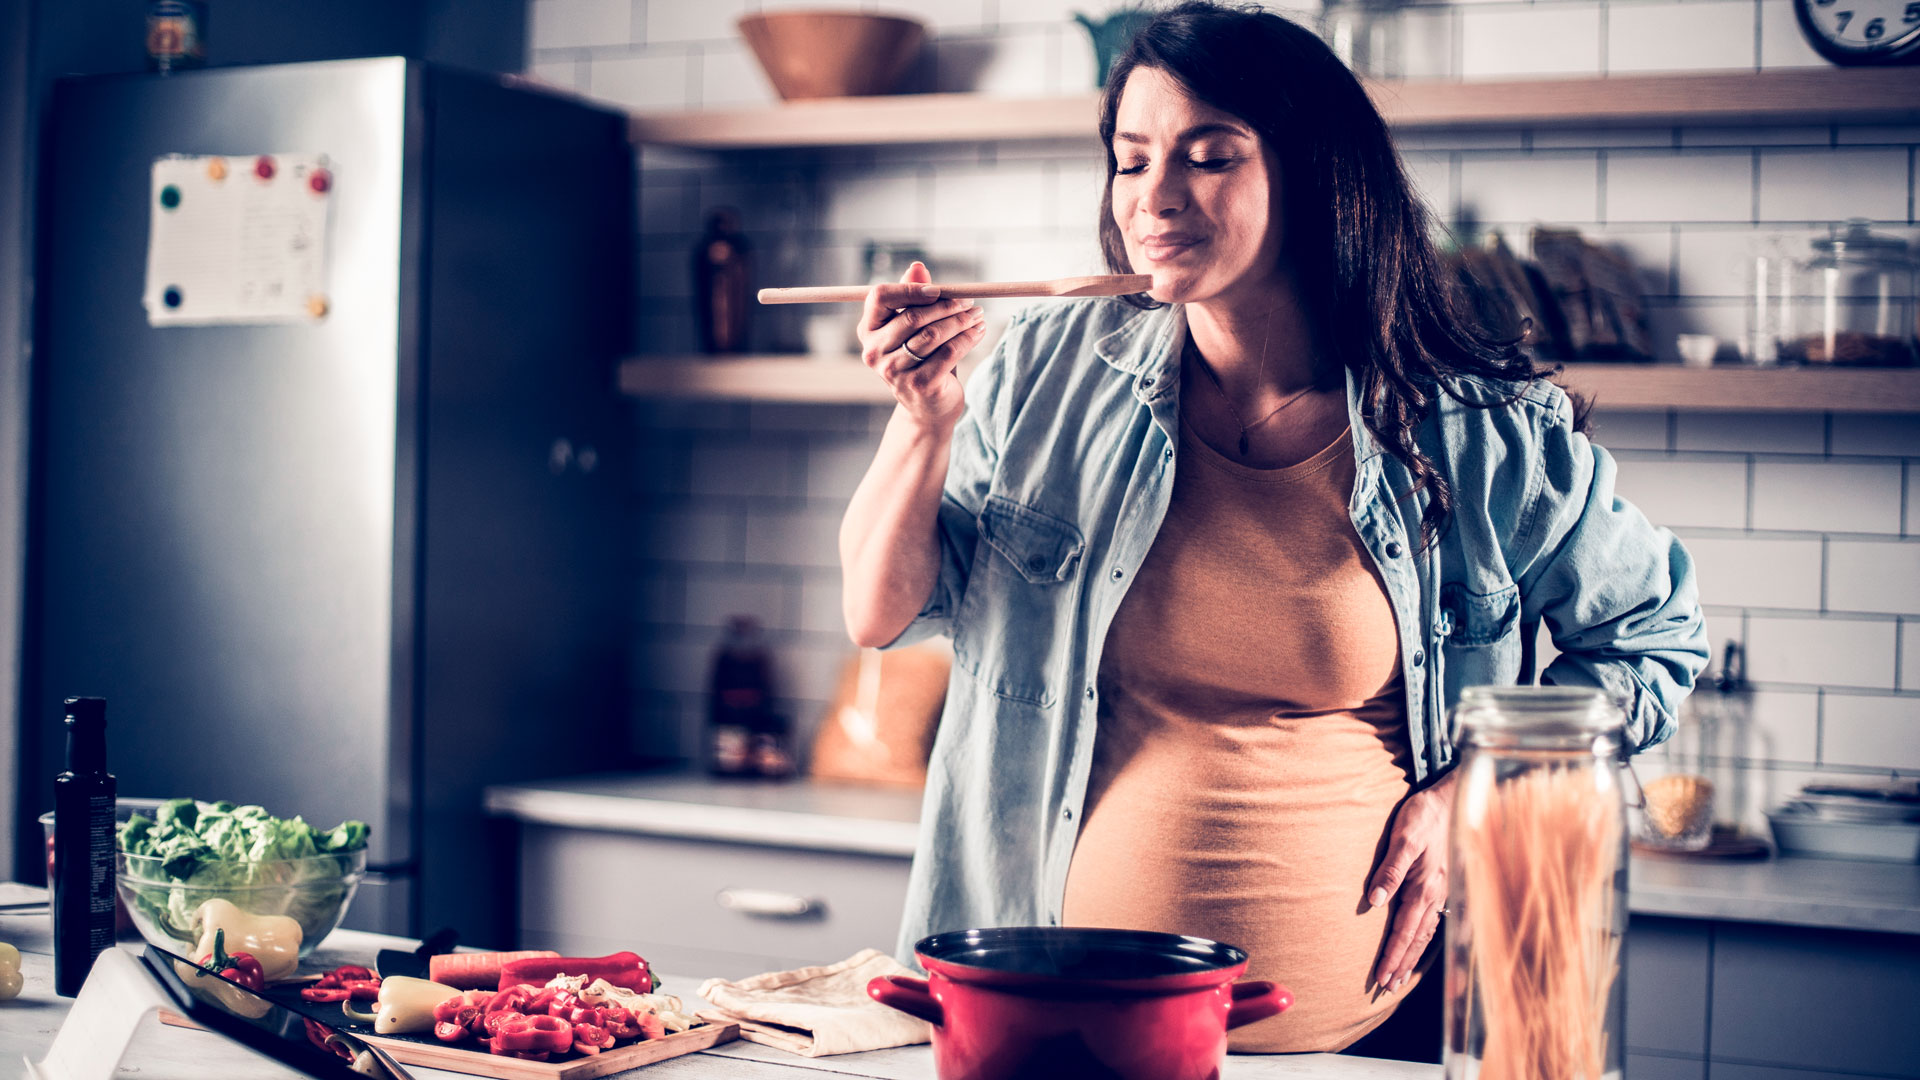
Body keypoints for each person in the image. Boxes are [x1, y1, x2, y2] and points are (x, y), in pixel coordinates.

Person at [836, 0, 1707, 1057]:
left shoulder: (1479, 431)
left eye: (1210, 157)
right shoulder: (1047, 370)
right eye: (1131, 160)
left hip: (1382, 1042)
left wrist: (1472, 795)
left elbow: (1654, 640)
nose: (1156, 198)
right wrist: (921, 423)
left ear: (1313, 173)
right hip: (1053, 1031)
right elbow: (882, 614)